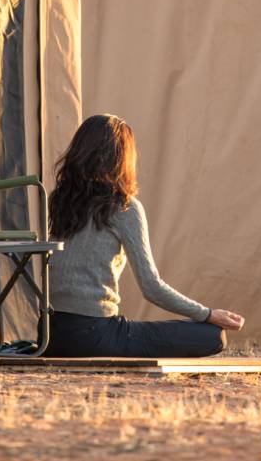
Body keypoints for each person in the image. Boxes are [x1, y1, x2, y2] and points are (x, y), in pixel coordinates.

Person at [44, 113, 245, 358]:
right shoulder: (123, 207)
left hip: (51, 336)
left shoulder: (61, 201)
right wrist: (208, 314)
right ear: (122, 158)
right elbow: (151, 287)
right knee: (212, 336)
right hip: (95, 335)